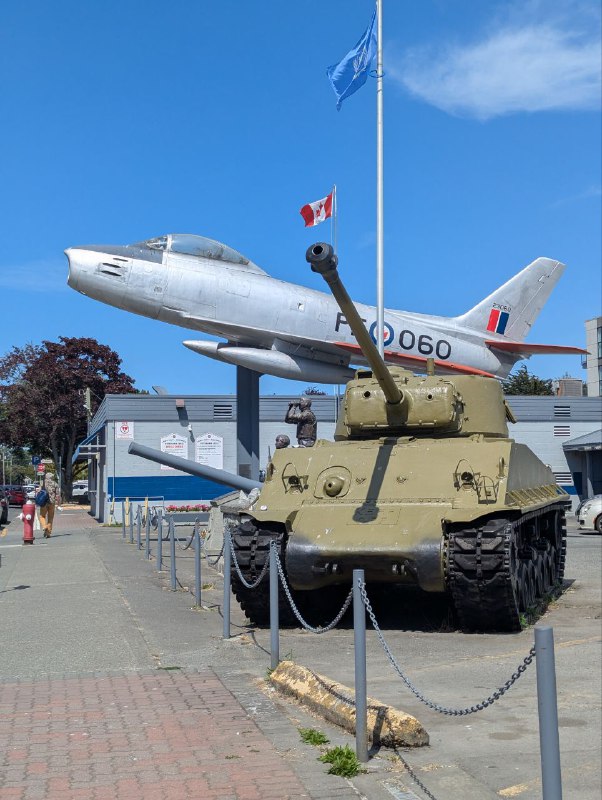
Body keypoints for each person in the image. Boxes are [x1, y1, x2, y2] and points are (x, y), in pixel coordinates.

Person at [39, 471, 61, 539]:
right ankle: (48, 533)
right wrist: (58, 504)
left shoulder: (42, 483)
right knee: (50, 518)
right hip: (52, 502)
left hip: (44, 502)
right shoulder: (55, 484)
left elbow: (39, 492)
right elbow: (57, 495)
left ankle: (44, 526)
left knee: (42, 516)